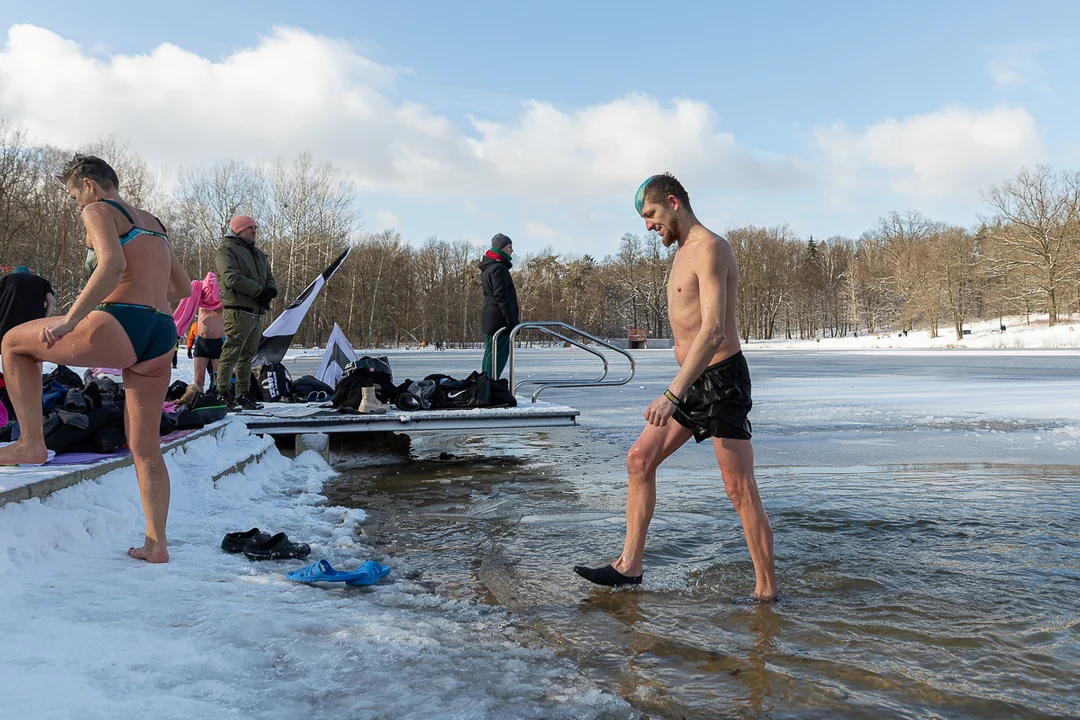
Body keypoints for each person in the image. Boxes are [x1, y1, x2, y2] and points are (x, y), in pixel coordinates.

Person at [574, 173, 778, 602]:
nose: (648, 226)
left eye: (650, 215)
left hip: (722, 380)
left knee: (739, 489)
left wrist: (671, 395)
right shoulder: (682, 251)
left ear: (673, 202)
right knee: (638, 460)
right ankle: (629, 567)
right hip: (692, 381)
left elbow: (713, 332)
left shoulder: (711, 248)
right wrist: (680, 389)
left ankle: (766, 592)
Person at [0, 154, 191, 563]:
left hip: (121, 322)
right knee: (145, 447)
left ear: (88, 184)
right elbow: (183, 286)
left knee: (14, 343)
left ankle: (31, 443)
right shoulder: (153, 223)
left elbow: (112, 264)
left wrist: (72, 319)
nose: (77, 205)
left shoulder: (99, 209)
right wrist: (146, 296)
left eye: (74, 195)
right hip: (160, 333)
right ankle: (156, 544)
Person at [214, 215, 276, 410]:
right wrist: (259, 292)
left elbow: (269, 276)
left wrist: (271, 290)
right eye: (249, 227)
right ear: (238, 230)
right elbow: (231, 277)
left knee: (248, 355)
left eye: (255, 227)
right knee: (232, 351)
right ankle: (222, 392)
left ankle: (243, 393)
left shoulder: (258, 254)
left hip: (257, 311)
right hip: (239, 309)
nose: (254, 230)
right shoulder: (226, 250)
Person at [174, 271, 225, 391]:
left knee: (217, 379)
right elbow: (187, 309)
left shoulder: (222, 300)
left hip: (219, 342)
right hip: (201, 342)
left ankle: (217, 399)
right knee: (198, 378)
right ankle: (198, 401)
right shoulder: (199, 296)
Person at [479, 233, 519, 379]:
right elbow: (501, 296)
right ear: (501, 248)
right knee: (498, 354)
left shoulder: (488, 267)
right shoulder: (498, 268)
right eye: (510, 247)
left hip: (491, 317)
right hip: (499, 319)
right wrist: (511, 320)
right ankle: (490, 385)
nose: (512, 250)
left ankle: (486, 384)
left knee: (490, 352)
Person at [0, 266, 56, 352]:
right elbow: (51, 303)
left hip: (6, 322)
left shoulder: (5, 280)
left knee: (7, 352)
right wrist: (44, 316)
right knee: (35, 353)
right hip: (33, 324)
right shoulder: (42, 281)